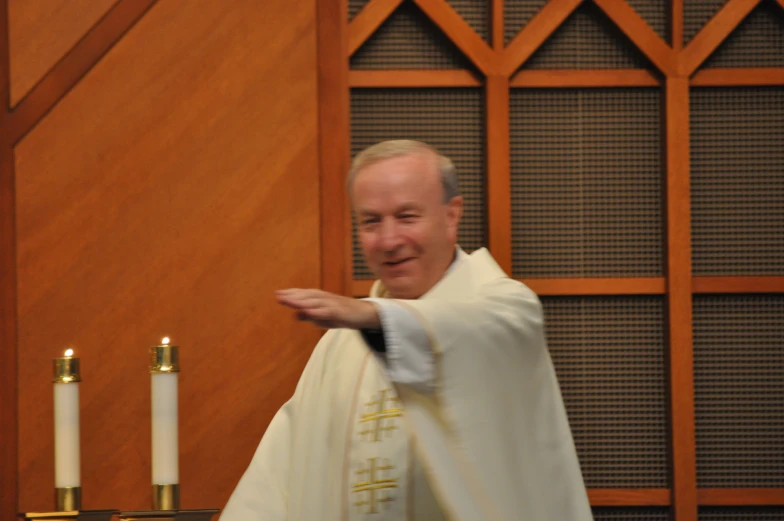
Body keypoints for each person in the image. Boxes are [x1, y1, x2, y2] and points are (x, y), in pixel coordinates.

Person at [221, 140, 592, 521]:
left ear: (452, 215)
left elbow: (474, 332)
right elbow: (278, 476)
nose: (389, 241)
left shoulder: (508, 310)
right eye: (371, 221)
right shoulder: (339, 345)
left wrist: (374, 318)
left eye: (407, 216)